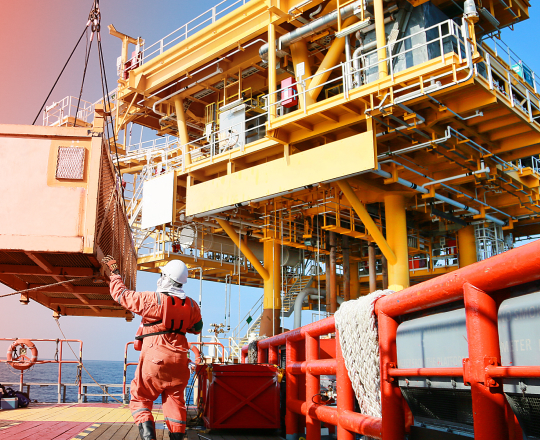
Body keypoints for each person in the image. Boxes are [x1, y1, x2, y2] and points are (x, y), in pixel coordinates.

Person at [102, 256, 203, 440]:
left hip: (154, 360)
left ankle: (149, 437)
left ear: (165, 277)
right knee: (175, 403)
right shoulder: (192, 305)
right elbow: (197, 328)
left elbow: (121, 295)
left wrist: (115, 273)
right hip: (180, 362)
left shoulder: (152, 300)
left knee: (140, 397)